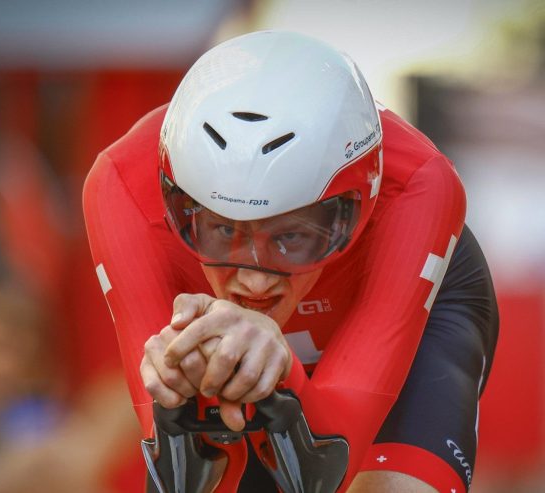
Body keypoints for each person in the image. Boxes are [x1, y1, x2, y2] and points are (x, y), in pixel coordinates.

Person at [82, 31, 499, 492]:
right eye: (222, 231)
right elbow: (189, 469)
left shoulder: (419, 185)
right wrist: (186, 391)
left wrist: (284, 372)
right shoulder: (119, 185)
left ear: (362, 200)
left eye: (294, 236)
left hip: (403, 318)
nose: (254, 283)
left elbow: (330, 458)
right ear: (176, 199)